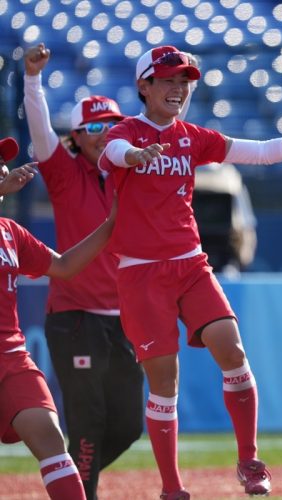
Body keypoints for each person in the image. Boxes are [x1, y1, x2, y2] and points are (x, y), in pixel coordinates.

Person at [98, 45, 282, 499]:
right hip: (141, 274)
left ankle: (249, 461)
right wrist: (134, 157)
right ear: (144, 86)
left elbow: (260, 151)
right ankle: (171, 487)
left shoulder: (191, 136)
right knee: (164, 381)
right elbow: (114, 150)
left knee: (232, 349)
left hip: (190, 264)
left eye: (184, 80)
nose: (178, 87)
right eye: (167, 79)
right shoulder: (127, 131)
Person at [22, 42, 144, 500]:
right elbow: (38, 132)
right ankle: (81, 493)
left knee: (130, 424)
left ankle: (70, 480)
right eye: (92, 127)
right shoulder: (64, 172)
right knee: (88, 419)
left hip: (126, 319)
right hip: (74, 318)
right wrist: (33, 80)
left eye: (110, 126)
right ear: (75, 137)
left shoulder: (126, 172)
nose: (102, 133)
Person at [0, 136, 116, 500]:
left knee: (51, 438)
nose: (4, 168)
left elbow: (64, 266)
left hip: (10, 356)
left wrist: (114, 223)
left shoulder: (9, 232)